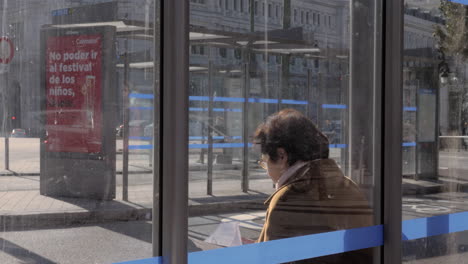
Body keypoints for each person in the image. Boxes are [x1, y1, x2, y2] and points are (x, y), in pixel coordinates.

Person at [254, 109, 373, 264]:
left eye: (265, 161)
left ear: (282, 156)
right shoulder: (348, 186)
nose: (267, 170)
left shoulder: (287, 198)